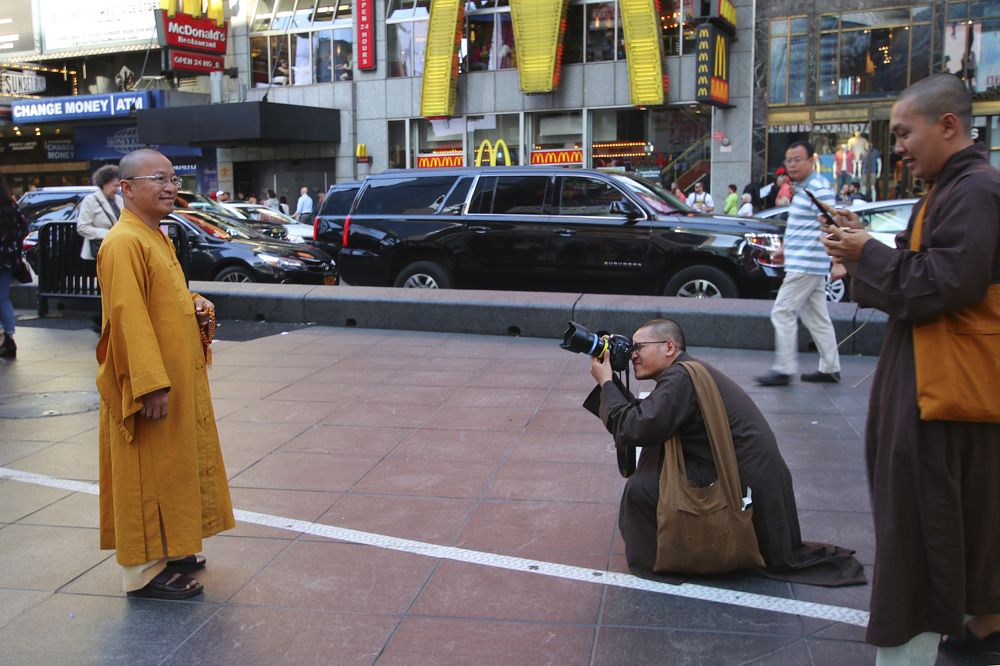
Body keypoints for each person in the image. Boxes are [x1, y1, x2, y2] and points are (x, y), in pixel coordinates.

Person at [821, 74, 1000, 665]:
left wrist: (864, 253)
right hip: (938, 386)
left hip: (939, 396)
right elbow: (927, 273)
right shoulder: (953, 187)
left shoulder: (973, 190)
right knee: (962, 524)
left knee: (921, 534)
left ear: (948, 125)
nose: (896, 146)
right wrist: (863, 249)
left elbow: (947, 282)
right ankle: (982, 629)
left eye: (903, 133)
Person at [584, 319, 865, 585]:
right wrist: (610, 382)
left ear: (669, 347)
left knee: (643, 488)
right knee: (651, 469)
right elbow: (646, 421)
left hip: (746, 483)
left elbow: (636, 428)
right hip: (753, 476)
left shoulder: (681, 377)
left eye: (638, 347)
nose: (632, 355)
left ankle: (665, 557)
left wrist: (607, 382)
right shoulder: (684, 371)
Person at [95, 148, 235, 600]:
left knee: (173, 465)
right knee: (148, 470)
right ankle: (144, 571)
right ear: (127, 189)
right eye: (159, 178)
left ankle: (172, 544)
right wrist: (149, 384)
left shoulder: (155, 235)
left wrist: (190, 303)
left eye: (173, 177)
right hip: (152, 384)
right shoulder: (123, 242)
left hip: (175, 376)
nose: (171, 186)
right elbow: (128, 317)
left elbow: (158, 299)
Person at [755, 140, 841, 387]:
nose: (792, 165)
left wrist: (838, 262)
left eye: (797, 159)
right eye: (788, 160)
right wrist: (784, 249)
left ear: (811, 160)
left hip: (806, 263)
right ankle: (830, 368)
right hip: (803, 261)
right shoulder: (804, 188)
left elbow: (832, 225)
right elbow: (803, 226)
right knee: (817, 318)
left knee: (782, 312)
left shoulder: (818, 189)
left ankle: (784, 368)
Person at [0, 175, 28, 359]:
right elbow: (24, 228)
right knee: (3, 298)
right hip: (8, 259)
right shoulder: (11, 205)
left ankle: (3, 336)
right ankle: (8, 336)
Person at [77, 165, 123, 262]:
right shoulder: (90, 200)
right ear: (104, 183)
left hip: (117, 250)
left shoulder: (119, 200)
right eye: (115, 185)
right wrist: (108, 233)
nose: (117, 189)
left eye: (119, 185)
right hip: (98, 253)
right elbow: (82, 227)